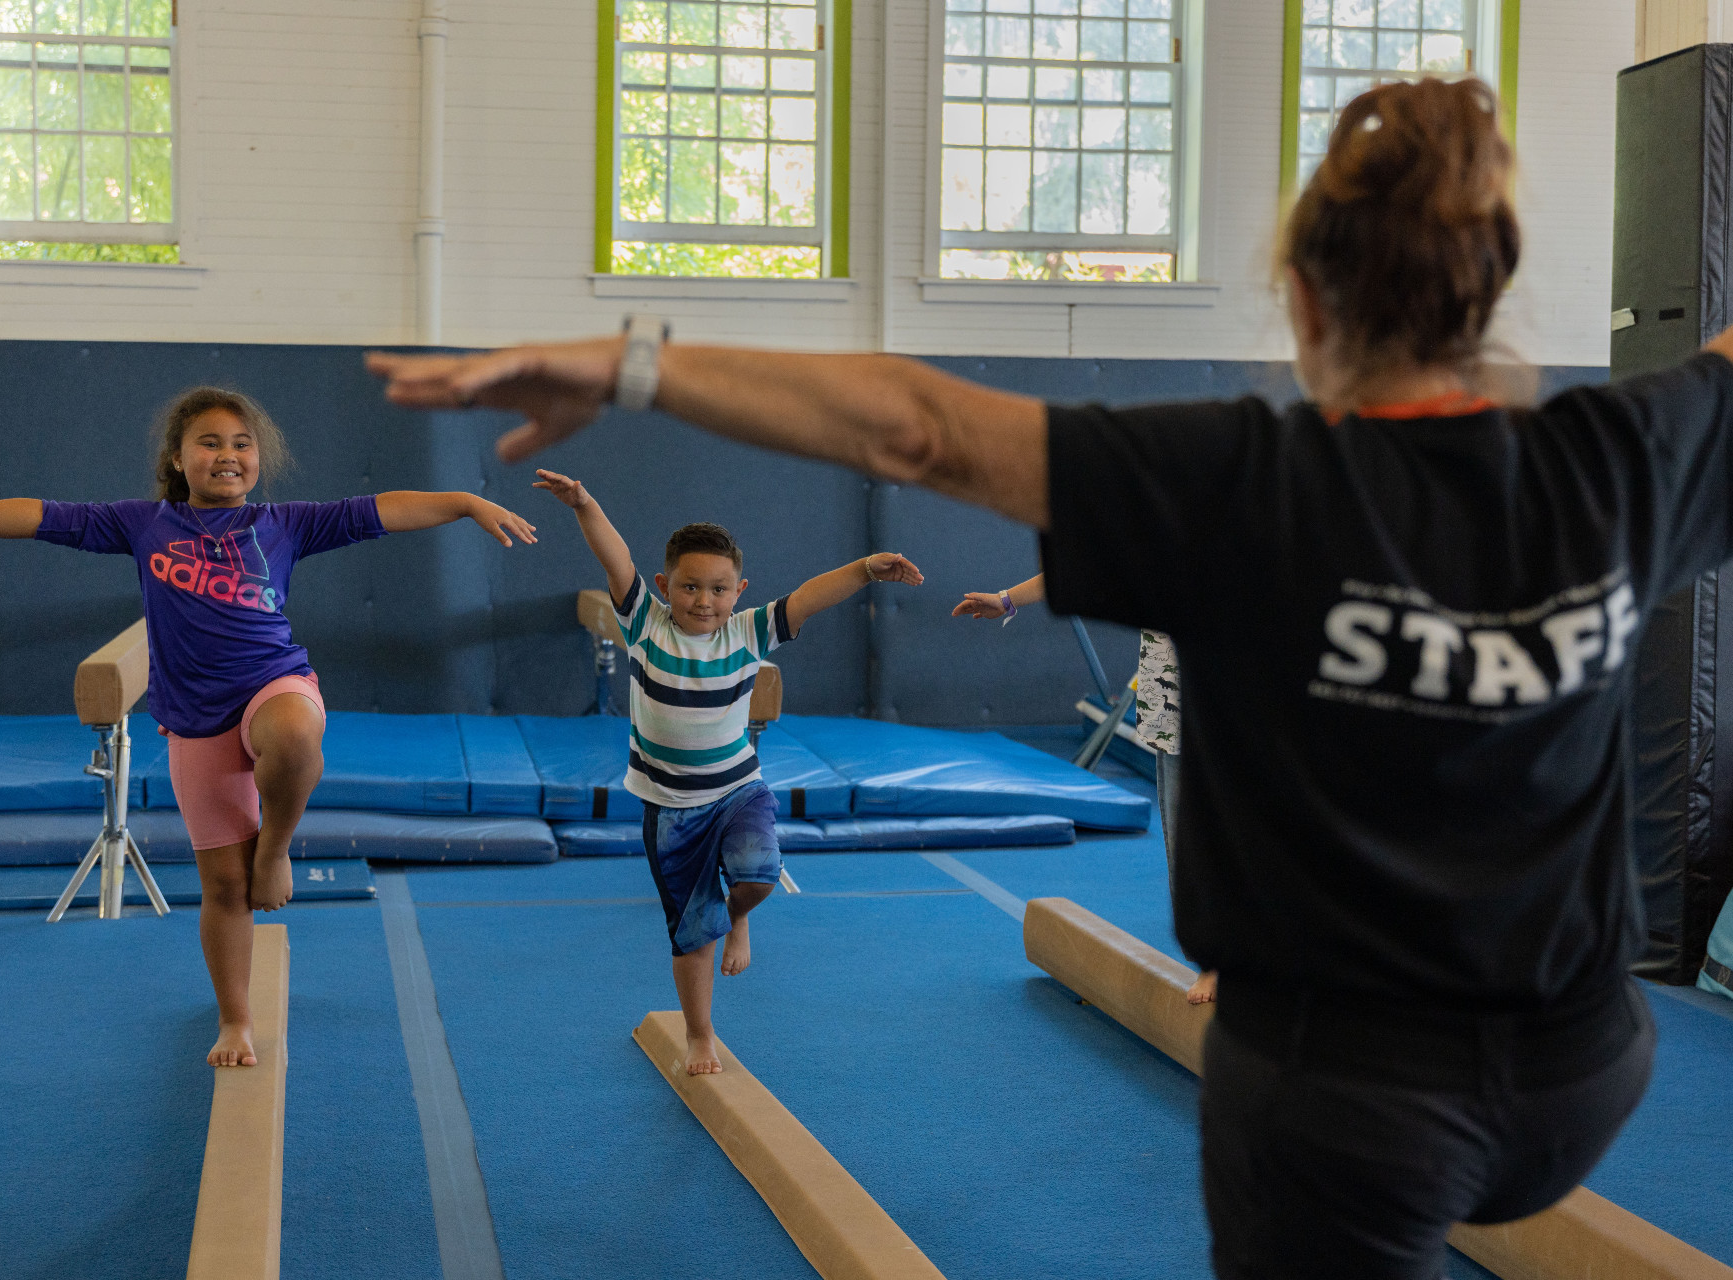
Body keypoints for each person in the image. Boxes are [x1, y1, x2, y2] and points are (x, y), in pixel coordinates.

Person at [367, 76, 1733, 1278]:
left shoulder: (1240, 481)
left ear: (1304, 302)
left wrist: (634, 361)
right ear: (1492, 291)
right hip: (1584, 1070)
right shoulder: (1615, 462)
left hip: (1346, 1099)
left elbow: (915, 426)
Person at [0, 387, 537, 1069]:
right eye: (210, 443)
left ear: (258, 460)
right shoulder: (143, 525)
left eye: (241, 444)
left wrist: (465, 502)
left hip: (273, 682)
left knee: (296, 736)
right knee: (223, 888)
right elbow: (43, 516)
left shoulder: (285, 524)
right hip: (195, 719)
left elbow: (383, 509)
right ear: (178, 459)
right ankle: (235, 1019)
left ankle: (275, 848)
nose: (228, 455)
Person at [532, 468, 922, 1075]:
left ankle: (738, 915)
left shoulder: (748, 632)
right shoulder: (645, 623)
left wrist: (866, 568)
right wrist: (584, 503)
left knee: (761, 878)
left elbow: (811, 595)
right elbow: (616, 556)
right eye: (689, 587)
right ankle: (700, 1033)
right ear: (664, 585)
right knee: (693, 932)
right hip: (669, 806)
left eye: (718, 589)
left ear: (740, 590)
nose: (703, 601)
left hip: (738, 789)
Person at [957, 575, 1215, 1004]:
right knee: (1186, 836)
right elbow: (1082, 560)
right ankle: (1214, 959)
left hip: (1240, 693)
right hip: (1173, 697)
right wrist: (1007, 600)